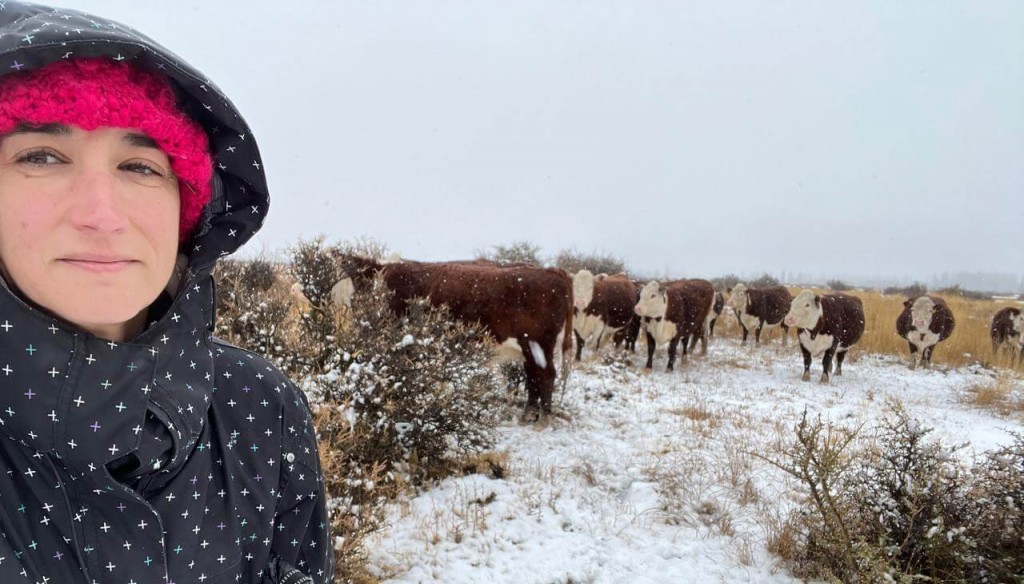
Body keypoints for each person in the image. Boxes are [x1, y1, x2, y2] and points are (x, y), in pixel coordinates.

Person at [0, 3, 332, 583]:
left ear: (187, 208)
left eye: (141, 166)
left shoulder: (258, 406)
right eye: (41, 156)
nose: (102, 215)